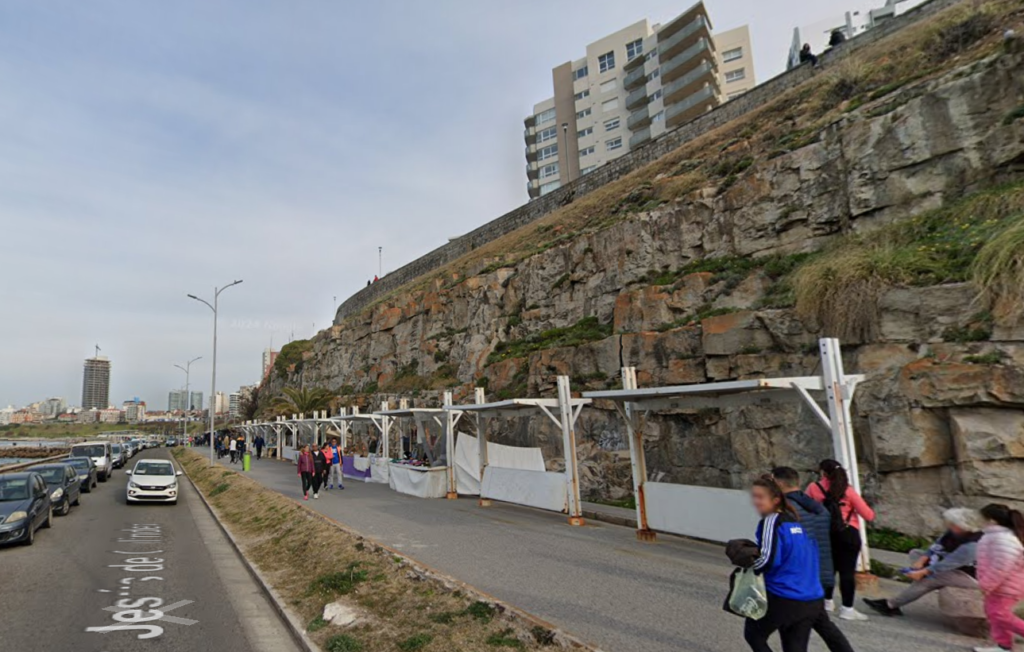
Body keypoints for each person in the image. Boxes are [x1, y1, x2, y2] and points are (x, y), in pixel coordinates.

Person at [772, 468, 854, 652]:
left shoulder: (788, 511)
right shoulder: (815, 506)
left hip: (800, 578)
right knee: (821, 622)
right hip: (820, 573)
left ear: (778, 483)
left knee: (793, 630)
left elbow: (788, 548)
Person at [742, 475, 825, 652]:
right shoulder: (795, 520)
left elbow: (768, 561)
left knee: (754, 634)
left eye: (760, 497)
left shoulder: (771, 521)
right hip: (811, 595)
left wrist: (747, 565)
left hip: (785, 595)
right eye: (754, 496)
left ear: (776, 499)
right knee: (795, 647)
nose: (755, 502)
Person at [863, 508, 984, 617]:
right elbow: (936, 546)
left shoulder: (972, 545)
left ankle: (890, 605)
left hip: (973, 576)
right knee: (916, 553)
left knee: (932, 577)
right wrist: (922, 560)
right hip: (954, 566)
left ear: (963, 525)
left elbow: (950, 563)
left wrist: (925, 571)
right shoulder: (954, 533)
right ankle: (918, 579)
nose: (948, 525)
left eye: (952, 524)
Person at [806, 459, 874, 621]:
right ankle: (847, 609)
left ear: (822, 472)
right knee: (847, 572)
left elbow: (807, 509)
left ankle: (827, 602)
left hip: (824, 534)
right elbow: (869, 515)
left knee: (828, 568)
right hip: (848, 533)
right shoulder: (848, 491)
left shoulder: (813, 488)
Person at [973, 503, 1024, 652]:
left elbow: (1001, 567)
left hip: (1006, 586)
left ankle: (1004, 646)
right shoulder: (994, 536)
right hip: (999, 585)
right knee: (994, 615)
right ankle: (1004, 646)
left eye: (981, 517)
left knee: (999, 614)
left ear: (992, 520)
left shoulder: (1004, 539)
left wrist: (986, 585)